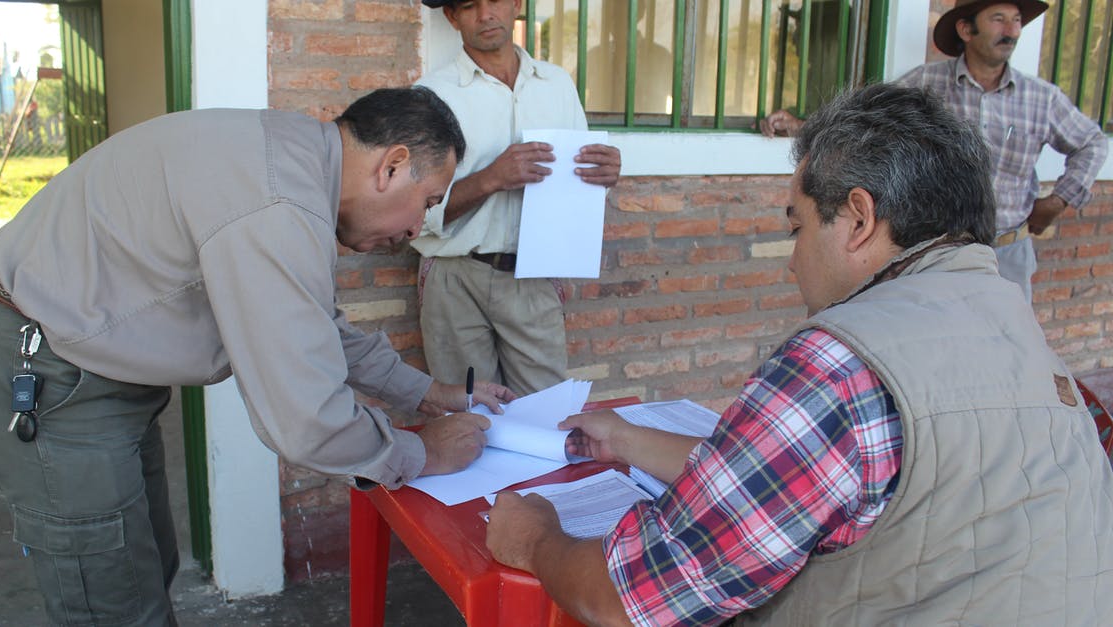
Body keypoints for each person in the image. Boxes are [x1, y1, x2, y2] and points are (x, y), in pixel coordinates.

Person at [486, 84, 1113, 625]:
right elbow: (819, 476)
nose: (792, 259)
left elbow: (632, 598)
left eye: (798, 226)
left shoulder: (840, 364)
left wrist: (537, 537)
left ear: (859, 219)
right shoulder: (1013, 324)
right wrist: (627, 441)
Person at [0, 87, 515, 626]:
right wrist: (421, 452)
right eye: (428, 202)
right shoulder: (276, 200)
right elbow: (307, 420)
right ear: (391, 166)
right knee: (112, 603)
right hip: (46, 372)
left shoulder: (289, 162)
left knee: (143, 573)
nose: (417, 227)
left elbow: (310, 325)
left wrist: (424, 393)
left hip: (90, 369)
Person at [760, 0, 1107, 303]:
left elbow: (1092, 142)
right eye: (999, 18)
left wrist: (1059, 200)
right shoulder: (925, 85)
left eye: (1016, 20)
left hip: (1009, 252)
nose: (1012, 30)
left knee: (999, 344)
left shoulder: (1041, 98)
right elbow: (867, 127)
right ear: (966, 29)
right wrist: (802, 126)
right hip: (936, 255)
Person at [415, 0, 622, 395]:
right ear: (451, 17)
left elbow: (578, 178)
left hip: (535, 274)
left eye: (495, 0)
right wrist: (491, 177)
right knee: (468, 416)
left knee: (546, 411)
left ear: (517, 4)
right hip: (454, 275)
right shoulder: (431, 97)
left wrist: (604, 173)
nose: (485, 15)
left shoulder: (557, 85)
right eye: (469, 5)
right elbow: (414, 211)